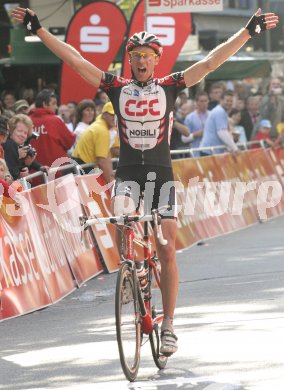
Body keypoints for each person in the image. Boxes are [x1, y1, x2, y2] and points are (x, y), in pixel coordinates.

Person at [12, 5, 278, 356]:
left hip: (161, 174)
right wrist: (40, 29)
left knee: (167, 247)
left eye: (147, 56)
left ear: (156, 60)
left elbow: (211, 62)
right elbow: (76, 60)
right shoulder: (116, 87)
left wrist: (247, 32)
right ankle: (132, 268)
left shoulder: (171, 85)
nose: (140, 60)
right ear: (130, 60)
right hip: (128, 174)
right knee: (121, 218)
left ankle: (168, 323)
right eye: (135, 55)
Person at [72, 102, 118, 183]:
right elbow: (102, 161)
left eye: (116, 115)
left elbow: (106, 156)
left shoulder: (103, 126)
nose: (114, 118)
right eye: (111, 115)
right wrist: (111, 184)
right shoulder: (102, 130)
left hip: (84, 165)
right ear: (104, 115)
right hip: (83, 167)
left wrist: (111, 177)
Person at [28, 89, 76, 167]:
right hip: (56, 172)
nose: (56, 107)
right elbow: (69, 142)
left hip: (33, 172)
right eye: (54, 104)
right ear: (44, 104)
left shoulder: (27, 120)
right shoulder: (55, 121)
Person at [199, 90, 239, 156]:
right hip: (209, 151)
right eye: (227, 100)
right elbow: (222, 132)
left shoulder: (221, 112)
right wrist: (234, 148)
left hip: (212, 150)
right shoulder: (219, 112)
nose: (229, 103)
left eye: (231, 101)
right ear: (221, 100)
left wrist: (230, 148)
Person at [182, 91, 209, 156]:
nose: (204, 103)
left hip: (212, 152)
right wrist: (195, 135)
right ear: (197, 102)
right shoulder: (190, 117)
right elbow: (184, 139)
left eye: (206, 101)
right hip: (197, 153)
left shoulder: (212, 115)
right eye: (202, 101)